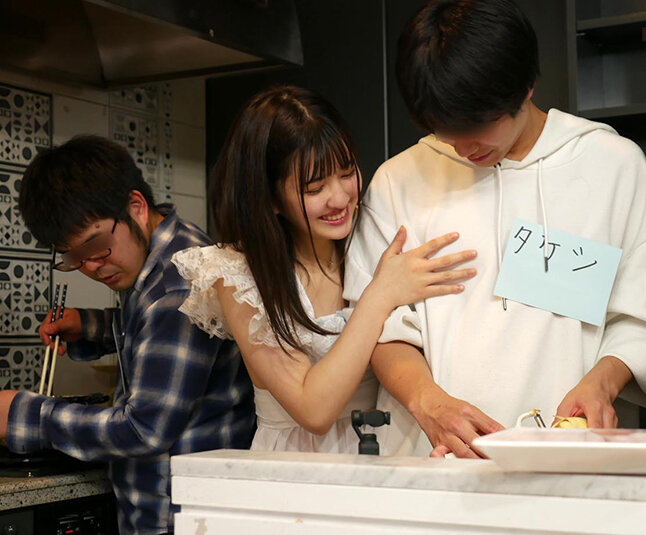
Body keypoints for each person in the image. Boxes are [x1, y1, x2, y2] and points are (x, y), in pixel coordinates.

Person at [343, 0, 646, 458]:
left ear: (526, 85)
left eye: (479, 125)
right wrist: (428, 401)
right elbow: (377, 326)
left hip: (573, 451)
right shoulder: (399, 181)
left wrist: (602, 382)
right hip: (433, 457)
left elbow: (644, 317)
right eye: (444, 129)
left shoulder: (612, 166)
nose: (464, 147)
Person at [172, 85, 476, 453]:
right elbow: (313, 409)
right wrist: (379, 296)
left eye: (347, 173)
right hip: (298, 463)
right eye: (315, 188)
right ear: (270, 198)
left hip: (386, 448)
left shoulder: (370, 236)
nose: (341, 197)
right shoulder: (238, 274)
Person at [3, 135, 255, 534]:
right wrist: (90, 326)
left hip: (181, 519)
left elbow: (144, 429)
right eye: (74, 257)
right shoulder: (168, 252)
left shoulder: (179, 284)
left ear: (136, 206)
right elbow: (153, 331)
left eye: (97, 245)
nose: (92, 267)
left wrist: (25, 414)